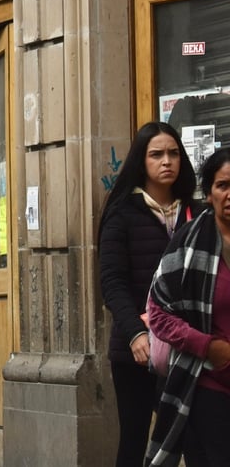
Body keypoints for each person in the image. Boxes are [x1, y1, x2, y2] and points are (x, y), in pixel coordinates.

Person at [99, 121, 200, 467]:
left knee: (197, 436)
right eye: (156, 154)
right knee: (135, 437)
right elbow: (112, 282)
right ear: (141, 161)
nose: (166, 161)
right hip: (137, 350)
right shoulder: (122, 213)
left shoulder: (197, 214)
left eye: (173, 153)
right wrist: (136, 333)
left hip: (191, 345)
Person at [146, 146, 230, 466]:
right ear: (209, 193)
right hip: (207, 385)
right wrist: (207, 347)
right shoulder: (189, 242)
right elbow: (158, 311)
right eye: (223, 186)